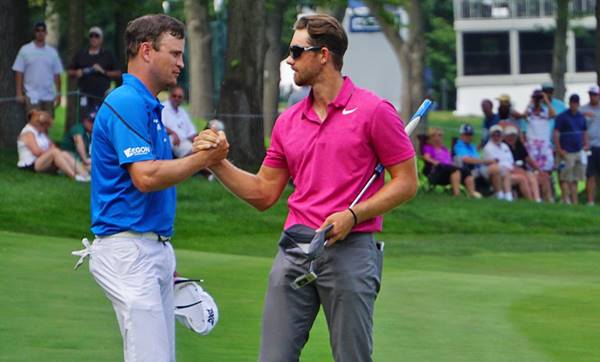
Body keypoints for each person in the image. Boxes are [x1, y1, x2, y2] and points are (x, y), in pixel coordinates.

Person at [194, 14, 417, 361]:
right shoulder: (288, 121)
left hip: (351, 249)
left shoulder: (374, 111)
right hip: (295, 249)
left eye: (297, 51)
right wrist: (216, 162)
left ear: (323, 55)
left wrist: (354, 215)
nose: (289, 59)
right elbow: (263, 193)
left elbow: (406, 182)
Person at [85, 15, 228, 362]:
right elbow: (146, 177)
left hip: (151, 249)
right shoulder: (126, 102)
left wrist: (164, 257)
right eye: (175, 54)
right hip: (129, 252)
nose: (181, 63)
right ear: (147, 51)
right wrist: (204, 159)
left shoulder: (149, 107)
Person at [17, 110, 89, 181]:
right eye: (46, 127)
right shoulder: (28, 133)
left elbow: (52, 145)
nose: (47, 129)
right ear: (40, 125)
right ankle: (74, 176)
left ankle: (84, 175)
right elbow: (36, 151)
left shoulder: (41, 132)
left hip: (41, 160)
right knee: (55, 152)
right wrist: (49, 151)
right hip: (30, 164)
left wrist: (50, 150)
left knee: (64, 154)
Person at [12, 21, 63, 118]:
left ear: (46, 33)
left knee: (46, 125)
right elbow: (19, 71)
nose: (40, 33)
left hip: (48, 96)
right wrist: (19, 93)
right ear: (34, 33)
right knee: (34, 124)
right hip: (31, 95)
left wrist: (58, 94)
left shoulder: (52, 52)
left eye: (43, 30)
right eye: (38, 30)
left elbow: (57, 74)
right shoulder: (25, 50)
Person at [68, 26, 121, 111]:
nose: (93, 38)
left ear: (101, 39)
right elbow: (69, 72)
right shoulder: (81, 54)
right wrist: (77, 72)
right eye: (91, 36)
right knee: (85, 121)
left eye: (96, 36)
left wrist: (104, 72)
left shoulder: (108, 55)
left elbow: (118, 73)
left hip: (102, 96)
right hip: (84, 94)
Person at [422, 127, 481, 198]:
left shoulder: (444, 148)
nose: (441, 137)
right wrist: (435, 162)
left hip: (448, 169)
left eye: (441, 135)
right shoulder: (429, 147)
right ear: (432, 136)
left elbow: (450, 160)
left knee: (466, 171)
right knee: (455, 170)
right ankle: (457, 194)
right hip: (438, 170)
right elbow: (426, 157)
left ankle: (472, 193)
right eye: (439, 135)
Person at [554, 94, 589, 205]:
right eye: (572, 102)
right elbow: (556, 133)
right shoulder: (562, 117)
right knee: (564, 177)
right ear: (569, 103)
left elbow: (584, 131)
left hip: (578, 151)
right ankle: (566, 200)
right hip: (566, 152)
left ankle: (575, 202)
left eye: (576, 103)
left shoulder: (581, 117)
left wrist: (586, 144)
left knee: (575, 179)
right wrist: (559, 149)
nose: (574, 105)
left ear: (578, 104)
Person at [453, 124, 503, 199]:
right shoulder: (459, 145)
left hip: (478, 169)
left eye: (470, 134)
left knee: (500, 169)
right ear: (462, 135)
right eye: (467, 134)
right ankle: (499, 195)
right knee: (495, 169)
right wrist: (485, 162)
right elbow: (466, 159)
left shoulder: (472, 146)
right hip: (469, 171)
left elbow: (477, 157)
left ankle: (500, 193)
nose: (469, 136)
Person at [482, 125, 532, 201]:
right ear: (491, 136)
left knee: (523, 177)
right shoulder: (488, 148)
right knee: (506, 172)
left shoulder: (504, 146)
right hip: (496, 173)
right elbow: (494, 163)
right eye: (494, 135)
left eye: (498, 135)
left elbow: (510, 161)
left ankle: (531, 200)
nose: (497, 137)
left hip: (508, 171)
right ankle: (507, 196)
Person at [503, 125, 551, 202]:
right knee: (528, 177)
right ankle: (534, 200)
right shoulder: (504, 147)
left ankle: (547, 201)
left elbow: (528, 159)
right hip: (514, 171)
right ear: (505, 137)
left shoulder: (519, 145)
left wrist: (539, 170)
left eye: (513, 136)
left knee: (544, 178)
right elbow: (508, 164)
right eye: (509, 136)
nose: (511, 138)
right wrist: (523, 172)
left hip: (524, 170)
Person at [523, 89, 556, 174]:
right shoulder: (530, 112)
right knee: (533, 170)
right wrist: (530, 102)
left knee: (546, 170)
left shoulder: (545, 111)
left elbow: (553, 115)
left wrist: (546, 100)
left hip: (544, 145)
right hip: (532, 145)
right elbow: (524, 115)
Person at [161, 85, 197, 158]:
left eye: (180, 97)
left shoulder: (183, 111)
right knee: (196, 154)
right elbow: (160, 126)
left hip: (186, 143)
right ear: (170, 96)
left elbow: (191, 133)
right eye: (174, 96)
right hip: (172, 143)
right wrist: (173, 133)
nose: (177, 98)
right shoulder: (162, 108)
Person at [582, 85, 600, 205]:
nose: (592, 97)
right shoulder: (582, 110)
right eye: (590, 94)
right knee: (591, 175)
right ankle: (590, 201)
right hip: (591, 147)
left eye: (594, 94)